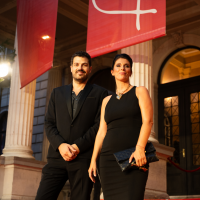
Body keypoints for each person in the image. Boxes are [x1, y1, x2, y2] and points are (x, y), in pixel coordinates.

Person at [35, 51, 108, 200]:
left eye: (84, 65)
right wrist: (61, 145)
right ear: (71, 67)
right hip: (57, 157)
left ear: (90, 69)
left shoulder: (100, 93)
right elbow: (49, 123)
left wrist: (77, 146)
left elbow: (98, 126)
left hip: (83, 158)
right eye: (76, 64)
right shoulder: (57, 93)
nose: (80, 68)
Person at [88, 53, 153, 200]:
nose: (122, 68)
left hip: (133, 157)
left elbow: (148, 121)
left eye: (126, 66)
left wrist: (140, 148)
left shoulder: (140, 91)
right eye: (118, 66)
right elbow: (101, 132)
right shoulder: (106, 101)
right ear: (112, 71)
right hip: (107, 161)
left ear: (130, 71)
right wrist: (93, 160)